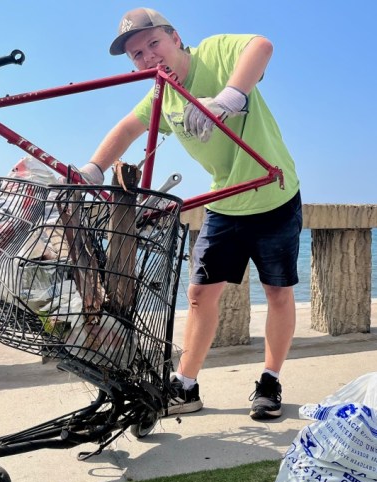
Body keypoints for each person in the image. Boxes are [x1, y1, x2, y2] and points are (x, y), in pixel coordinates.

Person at [79, 7, 302, 420]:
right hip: (225, 200)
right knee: (200, 295)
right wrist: (91, 169)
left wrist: (228, 99)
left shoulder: (214, 54)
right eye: (137, 55)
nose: (149, 58)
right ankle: (186, 385)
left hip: (274, 194)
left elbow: (262, 46)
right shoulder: (160, 95)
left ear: (175, 37)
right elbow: (128, 128)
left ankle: (270, 381)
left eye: (153, 44)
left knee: (278, 292)